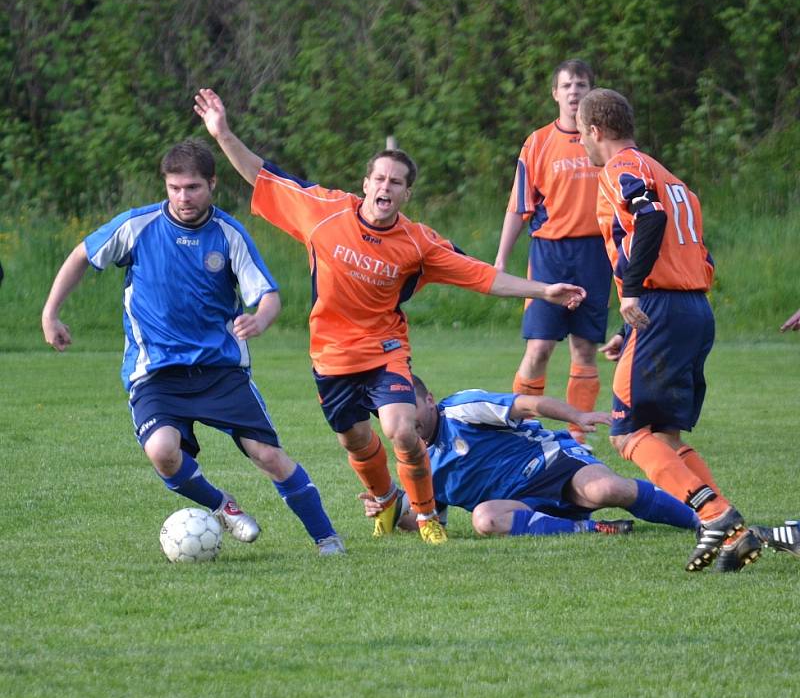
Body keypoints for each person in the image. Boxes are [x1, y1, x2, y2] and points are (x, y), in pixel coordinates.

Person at [194, 88, 586, 545]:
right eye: (379, 178)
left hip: (385, 350)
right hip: (331, 354)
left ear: (405, 193)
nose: (385, 187)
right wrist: (222, 133)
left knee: (401, 430)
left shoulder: (418, 242)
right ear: (366, 184)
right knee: (355, 442)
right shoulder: (323, 212)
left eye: (395, 182)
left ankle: (426, 517)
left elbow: (482, 277)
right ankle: (384, 501)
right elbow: (261, 176)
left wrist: (544, 290)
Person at [41, 139, 345, 556]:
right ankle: (223, 506)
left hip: (219, 371)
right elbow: (80, 255)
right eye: (175, 188)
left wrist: (260, 318)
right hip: (157, 374)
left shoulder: (228, 234)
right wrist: (50, 313)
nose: (184, 197)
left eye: (193, 188)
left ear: (212, 184)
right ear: (166, 186)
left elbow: (268, 294)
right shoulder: (137, 227)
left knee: (268, 455)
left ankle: (327, 539)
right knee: (163, 453)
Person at [577, 88, 761, 572]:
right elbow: (699, 255)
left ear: (595, 129)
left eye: (581, 134)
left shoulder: (622, 168)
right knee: (665, 434)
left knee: (626, 433)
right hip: (692, 308)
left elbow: (648, 217)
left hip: (661, 307)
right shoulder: (675, 180)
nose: (582, 144)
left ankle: (715, 515)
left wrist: (635, 292)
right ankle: (732, 533)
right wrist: (627, 322)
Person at [359, 375, 699, 539]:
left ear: (429, 399)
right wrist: (386, 507)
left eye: (412, 408)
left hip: (552, 464)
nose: (407, 420)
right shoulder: (416, 464)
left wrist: (575, 416)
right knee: (484, 520)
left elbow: (528, 405)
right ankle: (593, 529)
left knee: (606, 491)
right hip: (519, 506)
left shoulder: (462, 409)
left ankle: (704, 520)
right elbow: (428, 517)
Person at [494, 59, 610, 448]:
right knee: (540, 346)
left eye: (581, 84)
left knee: (584, 347)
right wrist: (500, 260)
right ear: (556, 93)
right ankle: (522, 428)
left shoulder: (607, 141)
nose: (574, 91)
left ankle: (578, 435)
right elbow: (519, 205)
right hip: (549, 253)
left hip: (596, 251)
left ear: (591, 91)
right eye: (567, 85)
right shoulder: (539, 141)